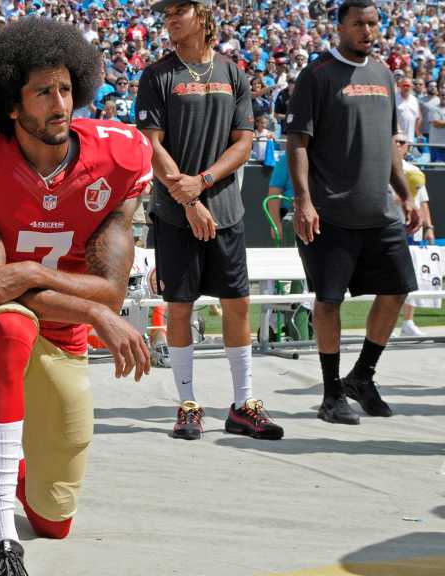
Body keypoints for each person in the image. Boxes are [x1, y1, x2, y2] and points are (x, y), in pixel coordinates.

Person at [0, 19, 151, 575]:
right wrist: (93, 308)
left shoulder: (117, 157)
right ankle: (0, 540)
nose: (61, 103)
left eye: (67, 88)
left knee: (55, 518)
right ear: (10, 104)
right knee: (10, 324)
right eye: (43, 91)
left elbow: (110, 285)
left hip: (64, 335)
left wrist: (34, 273)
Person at [137, 0, 282, 441]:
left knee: (236, 304)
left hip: (225, 210)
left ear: (202, 15)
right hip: (176, 214)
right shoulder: (158, 74)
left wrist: (202, 183)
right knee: (179, 307)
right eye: (165, 15)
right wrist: (186, 198)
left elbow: (244, 142)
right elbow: (150, 144)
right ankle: (188, 405)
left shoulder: (233, 73)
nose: (170, 20)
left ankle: (243, 405)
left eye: (178, 11)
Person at [286, 0, 421, 425]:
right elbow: (298, 143)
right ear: (340, 28)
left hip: (380, 213)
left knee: (398, 290)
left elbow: (388, 144)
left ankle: (361, 377)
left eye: (373, 23)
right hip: (329, 214)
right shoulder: (317, 75)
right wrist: (304, 202)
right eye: (358, 23)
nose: (367, 30)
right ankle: (331, 395)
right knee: (328, 302)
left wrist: (406, 196)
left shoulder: (383, 73)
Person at [396, 137, 435, 337]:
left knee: (414, 276)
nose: (399, 145)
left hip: (413, 230)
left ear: (408, 147)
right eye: (396, 141)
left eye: (403, 142)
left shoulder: (414, 171)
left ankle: (408, 321)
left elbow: (424, 202)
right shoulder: (382, 167)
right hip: (390, 228)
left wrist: (429, 227)